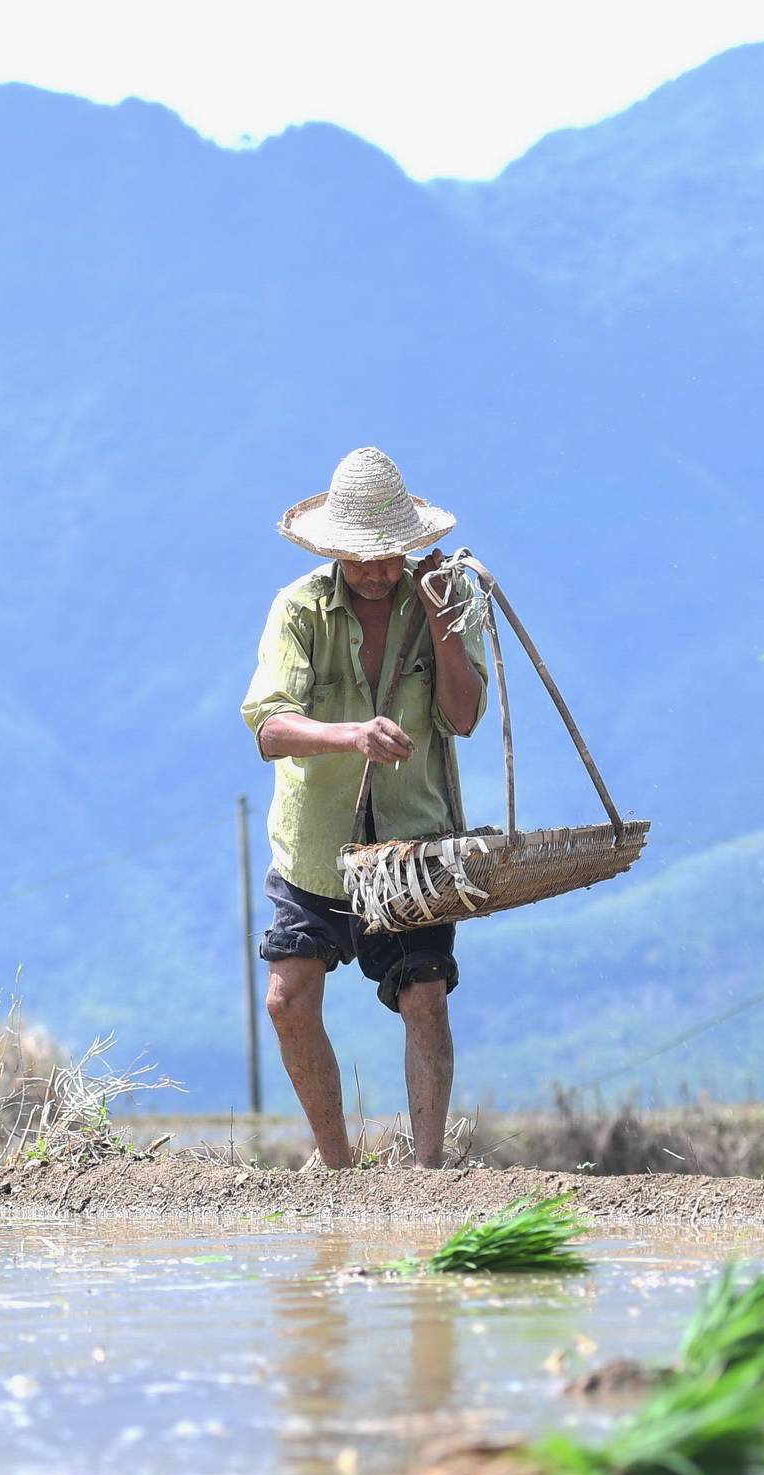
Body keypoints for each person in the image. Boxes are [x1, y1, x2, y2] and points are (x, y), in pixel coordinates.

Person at [240, 447, 488, 1169]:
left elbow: (465, 718)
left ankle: (428, 1168)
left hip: (412, 844)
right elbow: (269, 728)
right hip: (317, 845)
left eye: (391, 557)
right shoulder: (300, 609)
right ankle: (339, 1167)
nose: (379, 571)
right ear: (336, 550)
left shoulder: (440, 597)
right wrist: (349, 734)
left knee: (425, 996)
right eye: (363, 559)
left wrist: (443, 623)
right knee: (288, 1001)